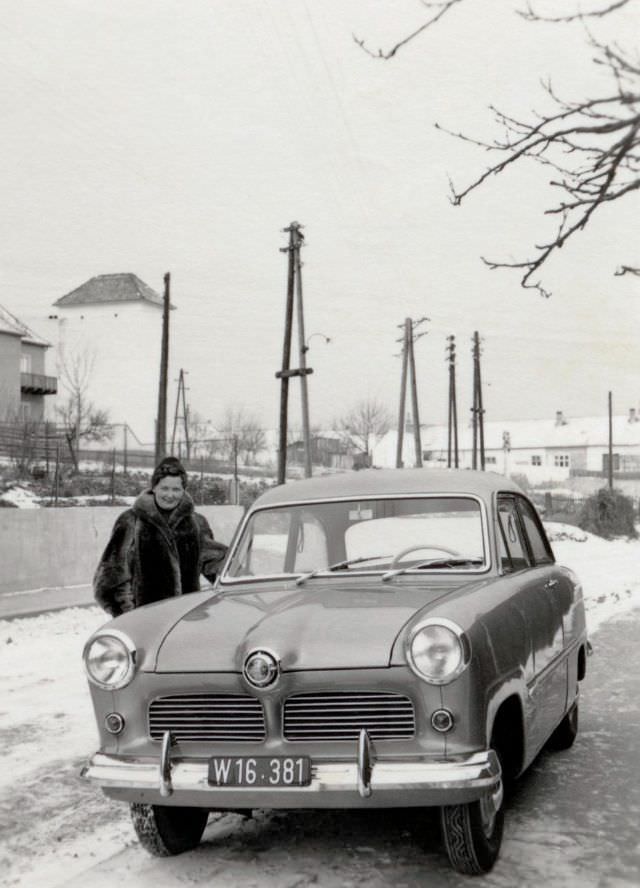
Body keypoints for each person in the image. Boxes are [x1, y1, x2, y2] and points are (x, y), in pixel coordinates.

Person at [94, 456, 228, 617]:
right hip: (146, 623)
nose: (170, 495)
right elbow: (110, 580)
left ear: (184, 490)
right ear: (154, 487)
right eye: (165, 488)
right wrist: (130, 616)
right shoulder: (131, 521)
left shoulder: (196, 523)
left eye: (176, 489)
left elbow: (218, 566)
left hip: (184, 621)